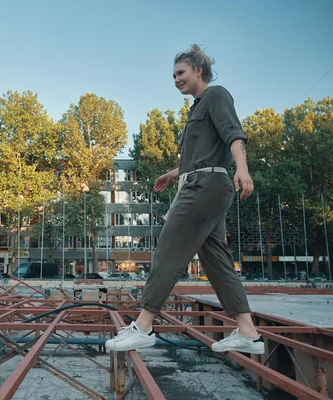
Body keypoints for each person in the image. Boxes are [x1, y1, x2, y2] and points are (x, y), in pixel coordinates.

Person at [106, 44, 264, 355]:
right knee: (216, 259)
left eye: (181, 73)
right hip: (203, 182)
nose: (176, 79)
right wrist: (172, 174)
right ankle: (249, 333)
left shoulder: (216, 95)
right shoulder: (197, 108)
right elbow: (200, 156)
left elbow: (235, 135)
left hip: (204, 187)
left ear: (199, 71)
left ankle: (144, 325)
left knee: (169, 246)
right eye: (174, 75)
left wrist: (243, 170)